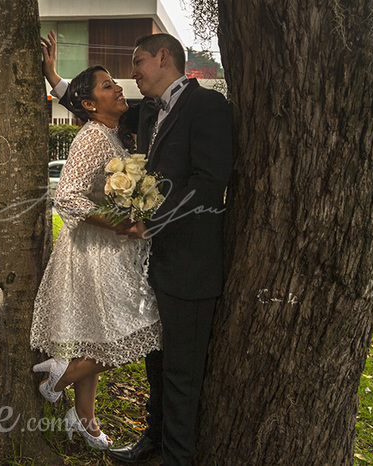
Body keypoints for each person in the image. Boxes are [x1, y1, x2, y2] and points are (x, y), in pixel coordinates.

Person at [43, 31, 233, 465]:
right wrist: (54, 78)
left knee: (183, 375)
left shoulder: (209, 107)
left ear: (163, 57)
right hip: (153, 265)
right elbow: (93, 110)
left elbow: (208, 185)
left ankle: (177, 457)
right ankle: (153, 442)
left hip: (191, 265)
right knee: (158, 368)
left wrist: (150, 222)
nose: (132, 73)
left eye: (138, 62)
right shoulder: (147, 113)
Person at [30, 63, 162, 451]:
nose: (119, 87)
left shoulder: (111, 133)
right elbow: (67, 195)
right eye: (109, 86)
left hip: (109, 251)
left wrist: (55, 78)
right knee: (150, 331)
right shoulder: (91, 137)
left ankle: (84, 419)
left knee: (95, 340)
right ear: (90, 103)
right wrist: (124, 221)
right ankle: (60, 376)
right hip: (94, 252)